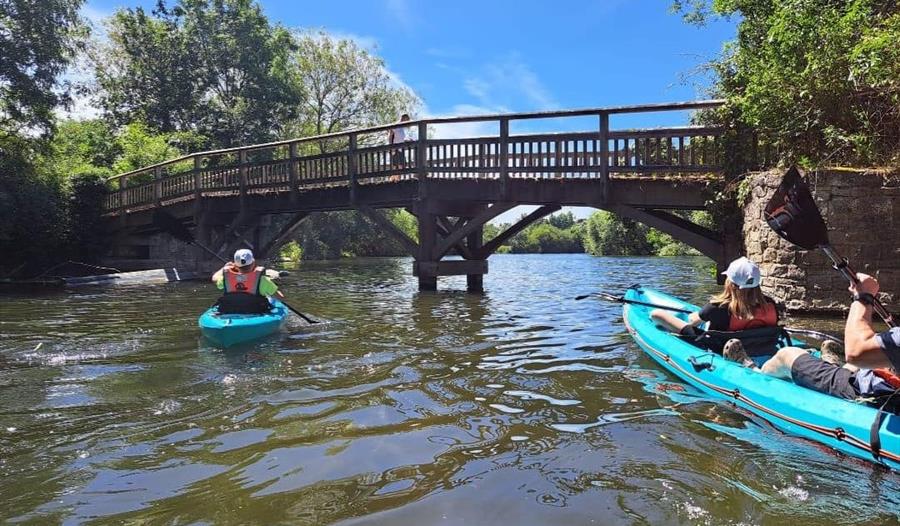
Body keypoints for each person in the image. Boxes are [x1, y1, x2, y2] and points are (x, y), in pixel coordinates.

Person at [724, 273, 899, 404]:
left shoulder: (719, 309)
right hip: (887, 385)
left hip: (873, 392)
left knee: (786, 354)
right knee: (871, 361)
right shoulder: (770, 305)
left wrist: (863, 297)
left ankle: (755, 371)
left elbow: (855, 353)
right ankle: (830, 364)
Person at [651, 257, 779, 337]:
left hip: (718, 346)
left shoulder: (718, 307)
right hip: (760, 343)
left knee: (656, 314)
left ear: (730, 283)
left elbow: (692, 322)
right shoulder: (771, 304)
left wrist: (701, 314)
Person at [211, 249, 279, 314]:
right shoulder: (262, 280)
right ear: (253, 263)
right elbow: (276, 295)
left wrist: (224, 268)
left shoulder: (226, 278)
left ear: (235, 265)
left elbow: (214, 279)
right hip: (256, 311)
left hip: (229, 310)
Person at [388, 113, 412, 182]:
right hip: (395, 148)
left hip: (401, 148)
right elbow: (390, 135)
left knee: (402, 165)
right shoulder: (396, 125)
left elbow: (401, 138)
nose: (407, 122)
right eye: (407, 120)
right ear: (403, 118)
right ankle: (393, 180)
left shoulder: (402, 128)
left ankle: (398, 180)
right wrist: (391, 146)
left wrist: (407, 140)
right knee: (395, 165)